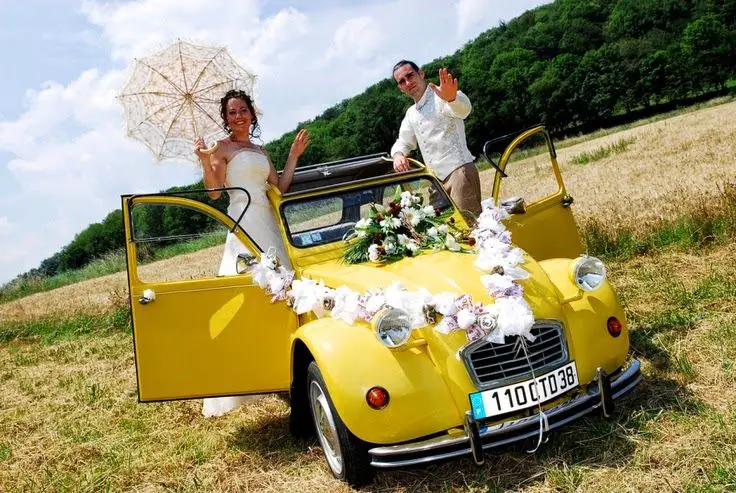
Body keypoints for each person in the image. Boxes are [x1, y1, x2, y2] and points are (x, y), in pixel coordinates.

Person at [193, 89, 310, 417]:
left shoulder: (259, 150)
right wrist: (205, 161)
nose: (238, 116)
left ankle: (288, 370)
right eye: (231, 112)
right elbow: (215, 192)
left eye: (243, 110)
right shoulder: (222, 148)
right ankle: (255, 372)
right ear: (225, 118)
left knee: (285, 294)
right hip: (244, 224)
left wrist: (294, 154)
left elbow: (280, 187)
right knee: (250, 296)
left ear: (252, 114)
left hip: (269, 223)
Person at [390, 61, 482, 218]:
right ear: (400, 88)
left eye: (410, 75)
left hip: (459, 172)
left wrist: (452, 99)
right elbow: (404, 141)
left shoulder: (442, 95)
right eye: (402, 82)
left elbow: (464, 110)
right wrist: (398, 154)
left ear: (421, 73)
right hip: (434, 182)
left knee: (470, 227)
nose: (408, 82)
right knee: (442, 233)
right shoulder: (411, 113)